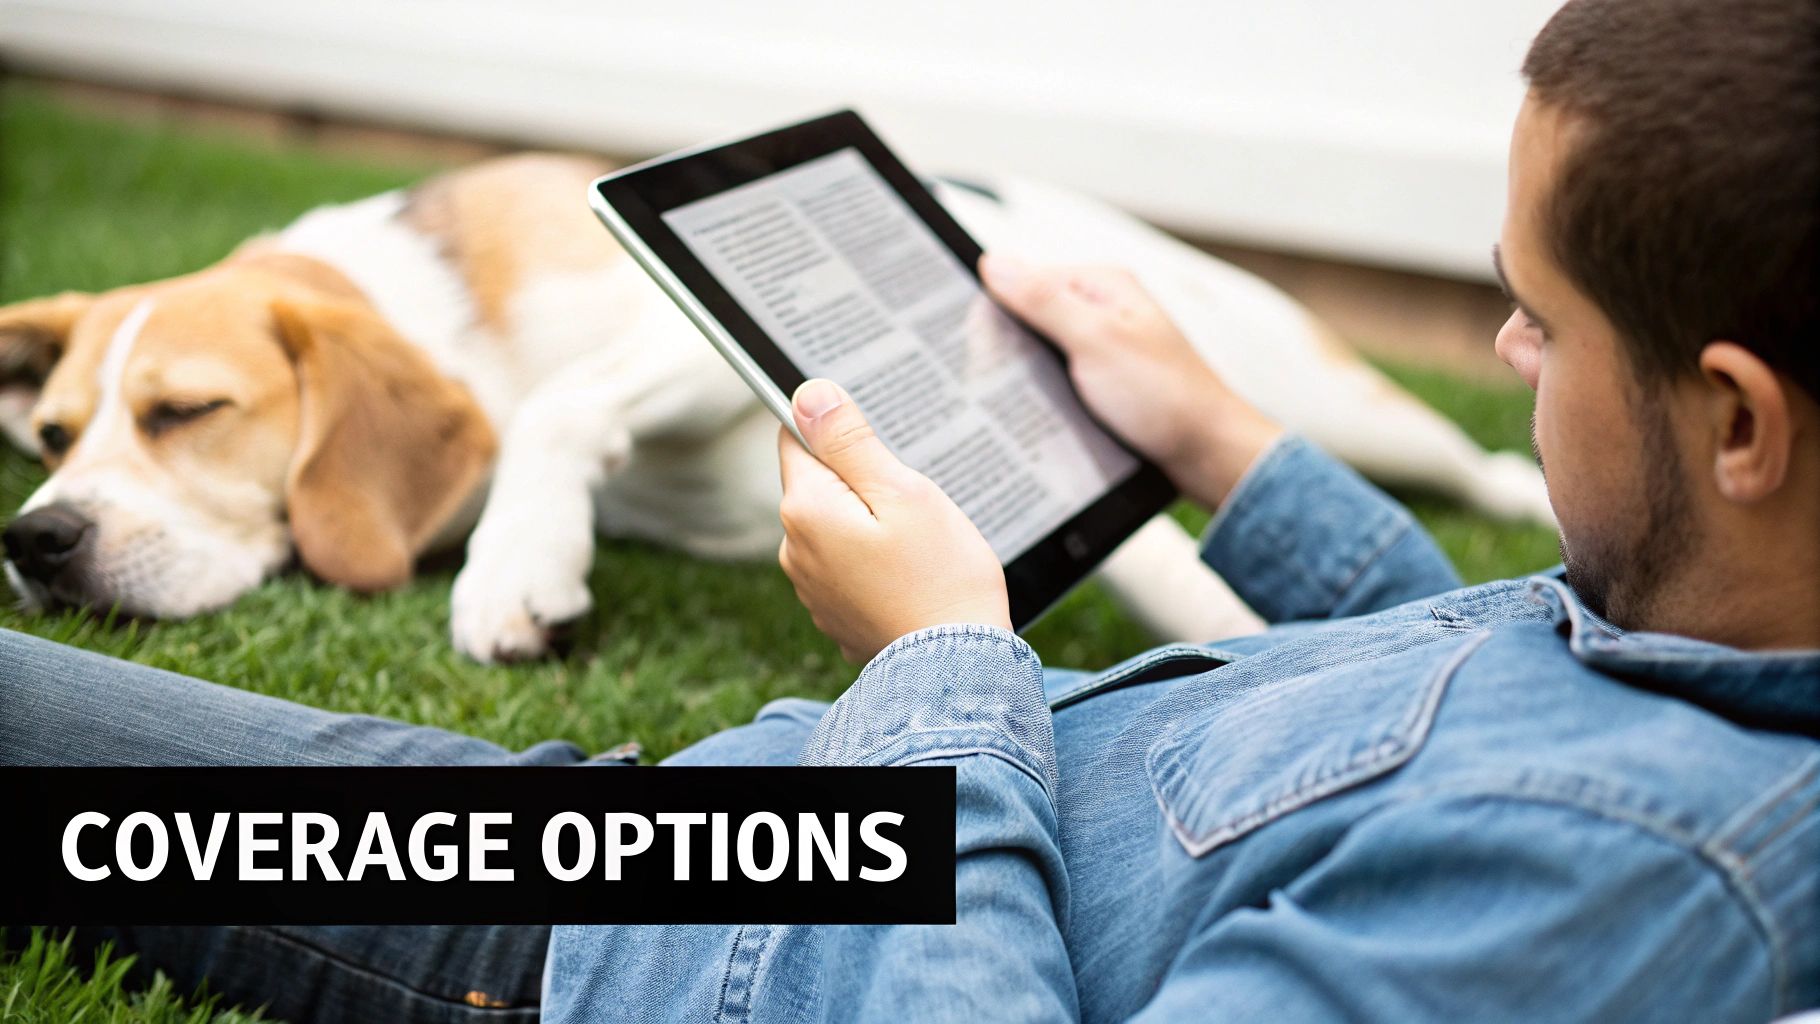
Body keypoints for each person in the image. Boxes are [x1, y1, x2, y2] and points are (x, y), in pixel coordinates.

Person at [4, 0, 1817, 1019]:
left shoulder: (1646, 871)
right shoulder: (1711, 630)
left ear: (1734, 421)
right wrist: (1219, 442)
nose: (1498, 345)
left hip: (647, 943)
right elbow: (1458, 681)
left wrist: (943, 672)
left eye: (1538, 316)